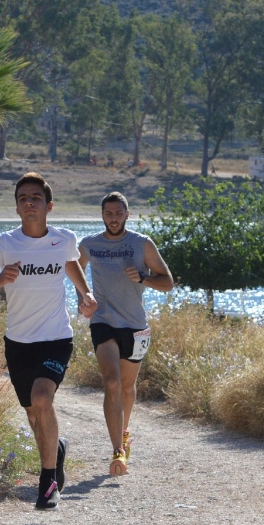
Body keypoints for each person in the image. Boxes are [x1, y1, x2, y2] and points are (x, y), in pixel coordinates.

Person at [0, 173, 97, 510]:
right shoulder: (4, 244)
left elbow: (70, 264)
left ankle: (48, 481)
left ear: (48, 206)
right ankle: (56, 450)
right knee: (32, 414)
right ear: (16, 207)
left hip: (56, 338)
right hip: (18, 343)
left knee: (43, 399)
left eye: (35, 197)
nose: (29, 202)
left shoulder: (64, 238)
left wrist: (86, 293)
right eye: (23, 197)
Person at [77, 192, 174, 476]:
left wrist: (143, 278)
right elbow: (74, 271)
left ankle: (125, 431)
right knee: (111, 382)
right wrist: (83, 299)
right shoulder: (89, 245)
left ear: (127, 214)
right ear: (102, 215)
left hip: (135, 325)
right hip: (103, 321)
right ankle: (118, 450)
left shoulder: (142, 244)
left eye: (118, 213)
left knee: (128, 388)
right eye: (108, 213)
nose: (113, 218)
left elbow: (167, 282)